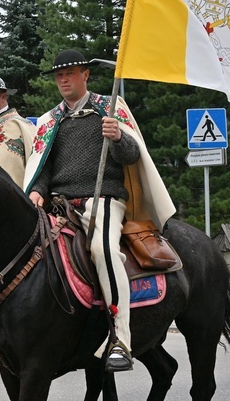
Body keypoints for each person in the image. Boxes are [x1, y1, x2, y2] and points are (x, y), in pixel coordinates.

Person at [23, 49, 175, 373]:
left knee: (102, 248)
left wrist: (118, 136)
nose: (63, 80)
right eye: (59, 75)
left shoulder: (110, 107)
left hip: (103, 199)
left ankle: (121, 339)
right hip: (60, 205)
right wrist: (36, 191)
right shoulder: (51, 120)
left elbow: (133, 155)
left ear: (85, 75)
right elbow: (43, 169)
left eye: (70, 73)